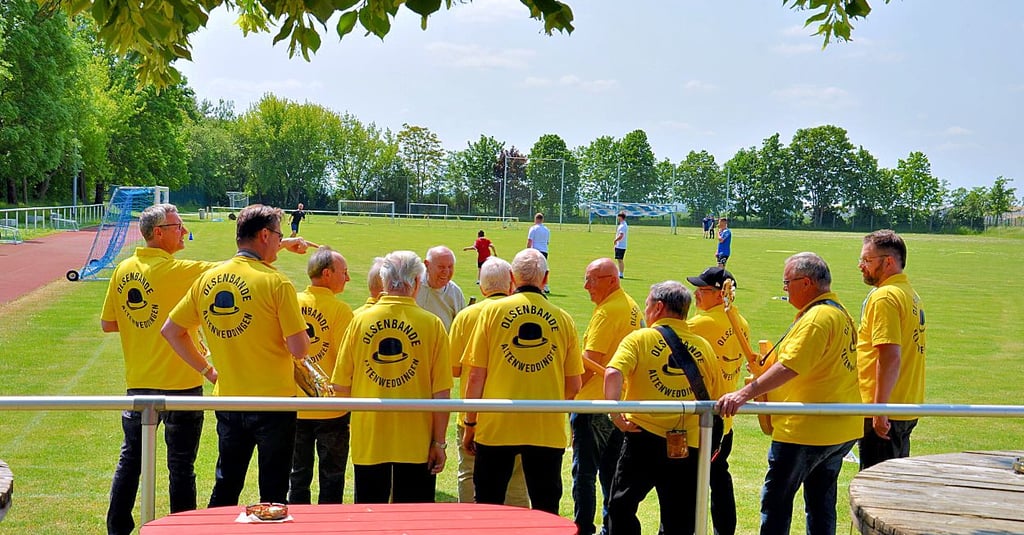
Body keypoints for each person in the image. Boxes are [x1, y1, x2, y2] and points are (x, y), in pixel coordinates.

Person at [162, 204, 311, 507]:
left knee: (226, 485)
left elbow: (171, 331)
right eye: (278, 236)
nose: (280, 243)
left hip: (229, 399)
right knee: (274, 494)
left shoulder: (208, 279)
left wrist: (208, 371)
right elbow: (299, 349)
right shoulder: (276, 282)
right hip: (275, 402)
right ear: (265, 235)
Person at [717, 252, 861, 535]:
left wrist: (743, 394)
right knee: (821, 504)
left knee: (776, 503)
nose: (784, 289)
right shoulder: (839, 311)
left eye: (787, 282)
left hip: (805, 429)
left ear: (805, 282)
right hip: (840, 427)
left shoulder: (817, 318)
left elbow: (790, 367)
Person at [101, 204, 217, 535]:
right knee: (181, 467)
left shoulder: (123, 269)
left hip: (138, 384)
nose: (184, 231)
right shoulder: (179, 270)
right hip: (181, 385)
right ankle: (182, 530)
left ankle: (117, 529)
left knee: (130, 462)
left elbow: (109, 323)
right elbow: (235, 267)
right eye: (178, 226)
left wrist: (142, 325)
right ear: (158, 233)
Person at [462, 248, 583, 514]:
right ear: (546, 277)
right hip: (545, 427)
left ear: (511, 277)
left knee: (488, 508)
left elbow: (475, 375)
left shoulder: (491, 313)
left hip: (496, 425)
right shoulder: (564, 319)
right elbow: (574, 385)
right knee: (545, 510)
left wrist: (470, 422)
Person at [603, 281, 725, 535]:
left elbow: (613, 373)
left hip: (642, 437)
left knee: (620, 506)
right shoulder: (704, 347)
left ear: (658, 307)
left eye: (647, 304)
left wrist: (615, 416)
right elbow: (716, 399)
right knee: (680, 518)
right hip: (688, 444)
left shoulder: (640, 338)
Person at [330, 250, 452, 503]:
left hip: (370, 438)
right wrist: (439, 443)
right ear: (417, 281)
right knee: (415, 521)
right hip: (416, 440)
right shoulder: (432, 325)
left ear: (384, 282)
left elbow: (340, 386)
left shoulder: (359, 321)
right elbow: (441, 393)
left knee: (371, 517)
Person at [448, 257, 529, 507]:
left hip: (475, 412)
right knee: (517, 481)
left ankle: (470, 525)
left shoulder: (466, 316)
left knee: (469, 473)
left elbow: (455, 368)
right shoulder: (520, 313)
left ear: (482, 288)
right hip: (515, 410)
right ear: (511, 284)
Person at [572, 258, 642, 535]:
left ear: (611, 280)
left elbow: (590, 362)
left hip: (593, 404)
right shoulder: (631, 306)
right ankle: (611, 527)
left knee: (585, 473)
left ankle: (583, 528)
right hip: (619, 402)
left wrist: (571, 391)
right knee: (612, 473)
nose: (586, 286)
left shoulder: (606, 313)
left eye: (592, 279)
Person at [685, 266, 751, 535]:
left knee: (691, 480)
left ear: (718, 294)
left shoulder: (701, 324)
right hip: (728, 418)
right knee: (719, 476)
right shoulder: (740, 321)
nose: (695, 295)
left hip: (702, 419)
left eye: (702, 290)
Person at [289, 246, 354, 504]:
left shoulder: (292, 301)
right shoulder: (341, 311)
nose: (348, 278)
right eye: (344, 272)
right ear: (327, 274)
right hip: (332, 408)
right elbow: (346, 361)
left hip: (296, 405)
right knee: (332, 477)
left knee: (297, 476)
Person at [856, 230, 927, 469]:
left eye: (867, 260)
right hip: (905, 404)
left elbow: (889, 356)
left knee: (876, 489)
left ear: (888, 261)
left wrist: (880, 408)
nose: (860, 266)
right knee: (893, 482)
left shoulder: (885, 297)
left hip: (885, 410)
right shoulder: (910, 294)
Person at [415, 245, 466, 330]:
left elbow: (461, 328)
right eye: (441, 267)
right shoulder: (411, 286)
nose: (446, 272)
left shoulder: (455, 293)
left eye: (450, 267)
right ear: (427, 265)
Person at [526, 213, 551, 293]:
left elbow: (530, 241)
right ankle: (545, 286)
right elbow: (547, 242)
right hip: (544, 251)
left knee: (534, 269)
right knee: (543, 269)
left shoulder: (533, 229)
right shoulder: (547, 230)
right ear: (542, 220)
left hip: (535, 251)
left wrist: (527, 251)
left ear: (535, 219)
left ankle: (534, 286)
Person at [612, 212, 628, 279]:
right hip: (620, 245)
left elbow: (621, 235)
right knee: (619, 259)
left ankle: (621, 274)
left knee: (620, 260)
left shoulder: (622, 226)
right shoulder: (623, 224)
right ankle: (619, 273)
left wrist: (615, 240)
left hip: (621, 245)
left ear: (620, 217)